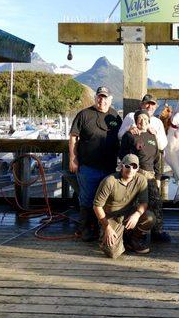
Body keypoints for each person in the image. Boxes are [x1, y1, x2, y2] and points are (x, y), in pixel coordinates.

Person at [69, 86, 122, 241]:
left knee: (105, 200)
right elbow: (73, 138)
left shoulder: (115, 116)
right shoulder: (84, 115)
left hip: (109, 168)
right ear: (95, 98)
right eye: (99, 97)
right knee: (87, 199)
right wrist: (73, 158)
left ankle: (101, 228)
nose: (102, 100)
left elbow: (122, 136)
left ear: (110, 99)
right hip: (88, 167)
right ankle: (85, 228)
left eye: (105, 97)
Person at [119, 109, 171, 242]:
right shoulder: (129, 135)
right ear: (136, 121)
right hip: (135, 176)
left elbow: (156, 159)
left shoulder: (152, 135)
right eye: (140, 119)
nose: (143, 121)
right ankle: (135, 235)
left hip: (150, 176)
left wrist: (158, 177)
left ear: (149, 121)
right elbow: (122, 155)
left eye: (145, 119)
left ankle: (157, 232)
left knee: (156, 204)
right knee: (136, 206)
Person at [93, 154, 157, 259]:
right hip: (111, 218)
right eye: (127, 166)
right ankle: (109, 236)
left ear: (138, 168)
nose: (130, 169)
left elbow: (144, 203)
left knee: (150, 217)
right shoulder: (109, 181)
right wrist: (107, 227)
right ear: (122, 166)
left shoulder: (141, 180)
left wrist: (137, 214)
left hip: (128, 214)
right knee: (113, 253)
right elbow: (97, 206)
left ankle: (133, 240)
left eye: (134, 166)